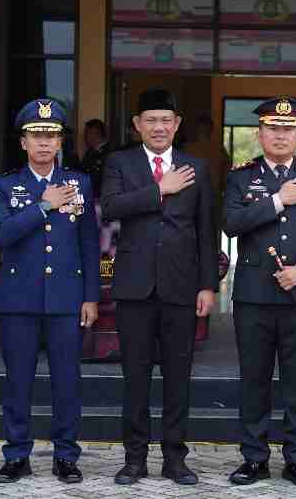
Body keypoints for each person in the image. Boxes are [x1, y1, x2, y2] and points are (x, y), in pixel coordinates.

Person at [224, 97, 296, 488]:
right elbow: (231, 223)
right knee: (254, 379)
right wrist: (279, 200)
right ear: (260, 134)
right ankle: (254, 458)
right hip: (254, 296)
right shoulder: (241, 176)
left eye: (288, 129)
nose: (280, 135)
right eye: (273, 128)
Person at [101, 89, 218, 486]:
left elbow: (206, 230)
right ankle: (134, 459)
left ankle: (175, 458)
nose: (159, 127)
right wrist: (159, 190)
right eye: (150, 120)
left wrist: (208, 285)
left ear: (177, 124)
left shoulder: (196, 167)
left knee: (177, 377)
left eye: (166, 120)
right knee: (135, 377)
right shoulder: (120, 162)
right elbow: (112, 207)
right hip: (134, 287)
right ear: (136, 125)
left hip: (182, 287)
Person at [0, 99, 100, 484]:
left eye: (51, 136)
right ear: (23, 142)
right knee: (18, 382)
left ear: (60, 143)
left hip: (66, 299)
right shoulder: (6, 185)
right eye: (36, 135)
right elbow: (2, 235)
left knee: (67, 383)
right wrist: (42, 206)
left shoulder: (79, 183)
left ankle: (66, 456)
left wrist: (91, 297)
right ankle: (16, 454)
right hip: (19, 299)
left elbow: (90, 244)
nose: (43, 143)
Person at [184, 115, 231, 241]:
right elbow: (227, 175)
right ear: (211, 130)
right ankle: (215, 256)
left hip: (194, 196)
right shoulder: (219, 150)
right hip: (209, 196)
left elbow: (227, 174)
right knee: (212, 233)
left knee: (193, 232)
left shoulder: (187, 149)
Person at [81, 118, 111, 198]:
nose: (85, 137)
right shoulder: (90, 153)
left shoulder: (109, 153)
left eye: (87, 133)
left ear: (95, 134)